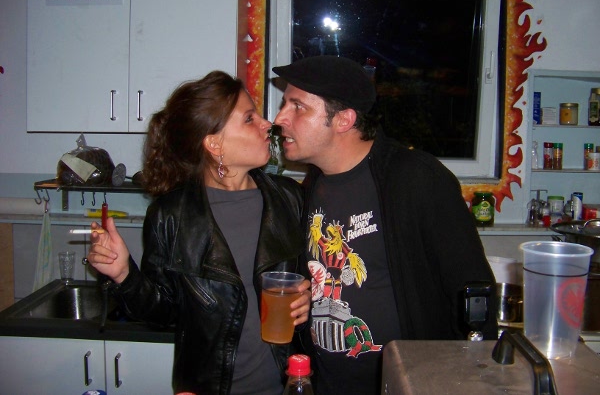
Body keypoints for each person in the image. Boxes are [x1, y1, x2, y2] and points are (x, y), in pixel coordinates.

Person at [272, 56, 498, 395]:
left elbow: (473, 290)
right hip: (328, 383)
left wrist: (470, 379)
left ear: (344, 119)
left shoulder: (415, 178)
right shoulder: (313, 184)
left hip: (409, 384)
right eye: (284, 104)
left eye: (297, 107)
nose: (280, 119)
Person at [86, 70, 311, 395]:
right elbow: (164, 312)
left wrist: (309, 297)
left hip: (288, 383)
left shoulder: (289, 198)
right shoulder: (171, 216)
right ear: (214, 143)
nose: (268, 124)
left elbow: (315, 278)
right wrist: (123, 274)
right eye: (249, 118)